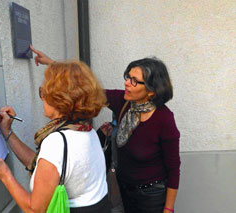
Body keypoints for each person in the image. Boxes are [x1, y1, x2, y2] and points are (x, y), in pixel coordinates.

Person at [30, 47, 181, 213]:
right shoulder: (122, 102)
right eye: (128, 77)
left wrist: (168, 208)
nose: (127, 83)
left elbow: (173, 168)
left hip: (151, 195)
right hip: (123, 188)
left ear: (151, 91)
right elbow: (82, 88)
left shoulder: (164, 119)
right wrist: (52, 64)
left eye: (134, 81)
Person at [0, 60, 111, 212]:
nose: (42, 98)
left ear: (59, 98)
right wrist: (8, 133)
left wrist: (5, 175)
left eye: (44, 92)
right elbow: (44, 165)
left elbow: (35, 209)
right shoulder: (86, 130)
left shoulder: (58, 142)